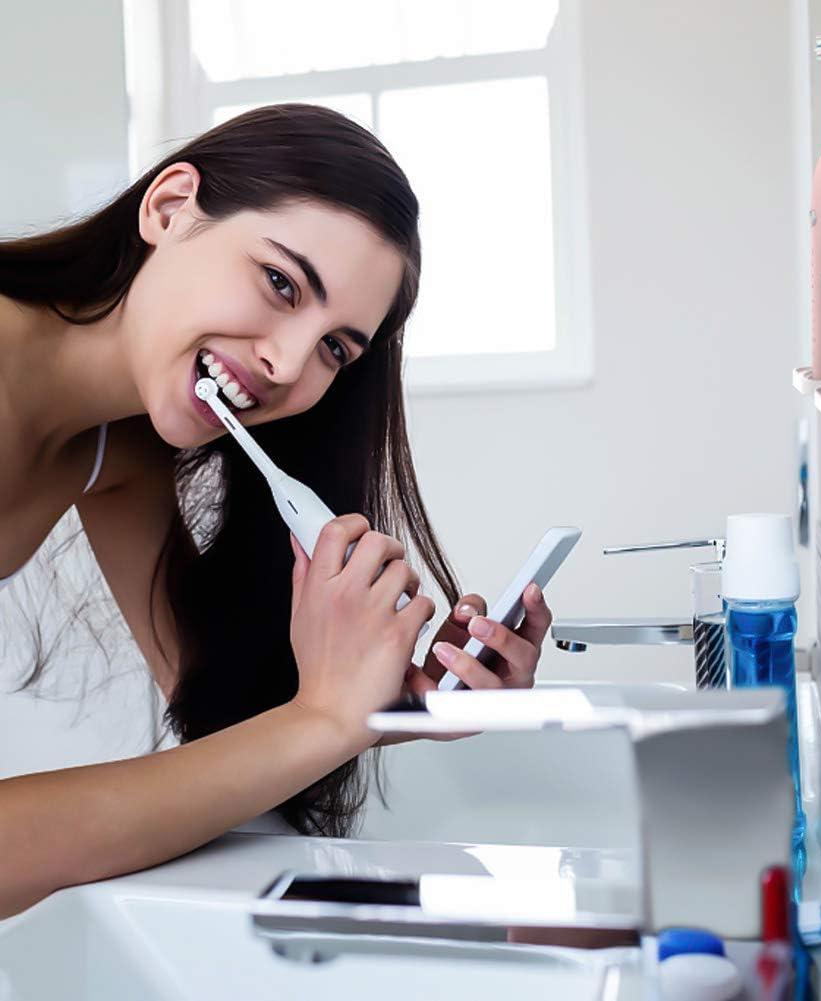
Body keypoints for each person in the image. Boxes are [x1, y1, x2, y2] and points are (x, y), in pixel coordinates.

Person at [0, 103, 552, 919]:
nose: (287, 365)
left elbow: (220, 715)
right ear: (169, 207)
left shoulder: (121, 450)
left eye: (335, 348)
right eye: (280, 283)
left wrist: (373, 703)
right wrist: (323, 718)